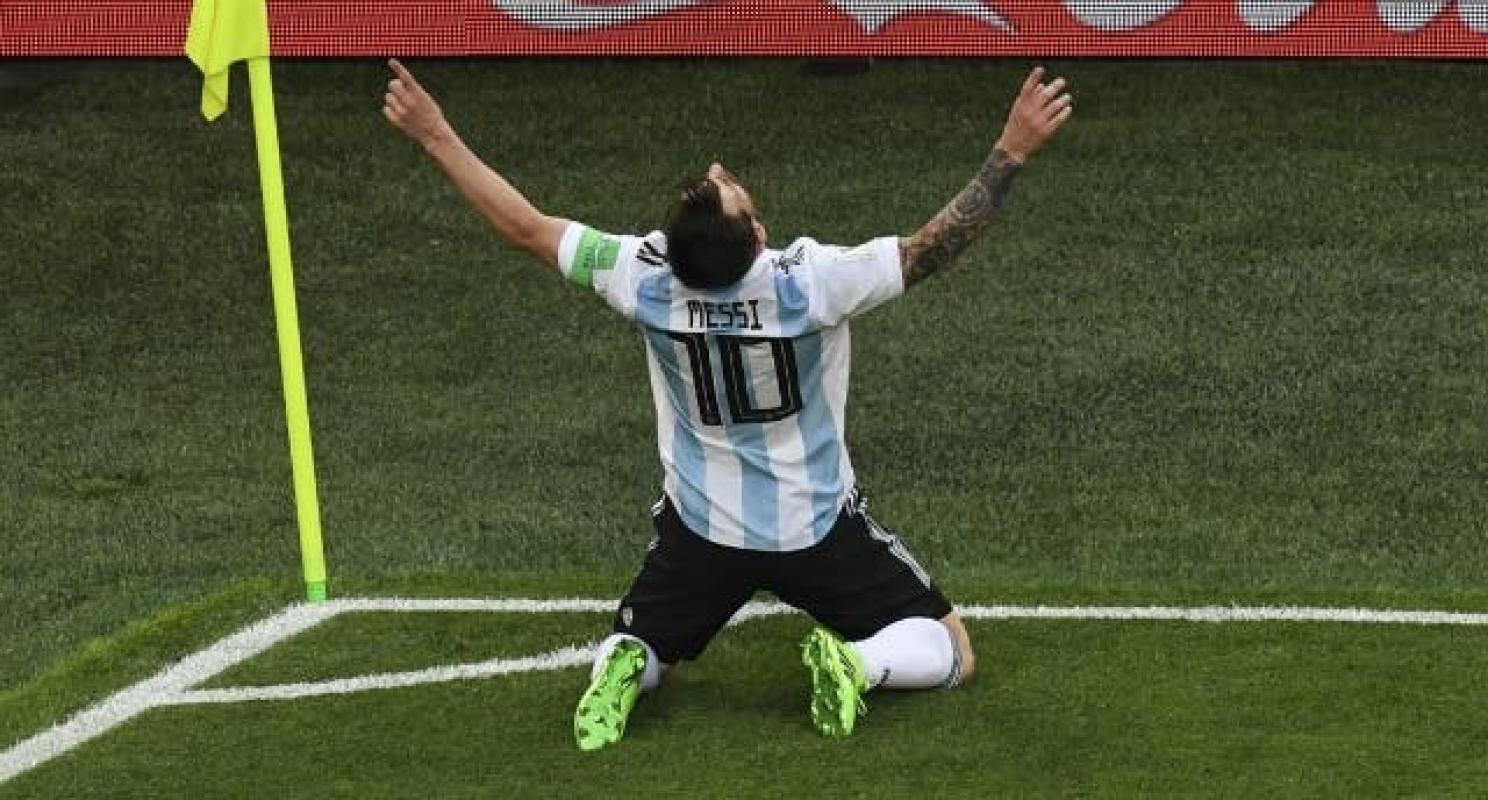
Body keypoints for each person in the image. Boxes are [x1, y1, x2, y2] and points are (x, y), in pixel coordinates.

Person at [382, 59, 1072, 750]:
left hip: (703, 533)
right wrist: (1012, 148)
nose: (720, 174)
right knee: (952, 650)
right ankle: (856, 665)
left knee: (647, 641)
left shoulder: (642, 278)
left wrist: (435, 133)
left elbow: (527, 227)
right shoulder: (811, 284)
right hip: (813, 530)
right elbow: (932, 248)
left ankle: (627, 660)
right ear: (759, 239)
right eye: (728, 193)